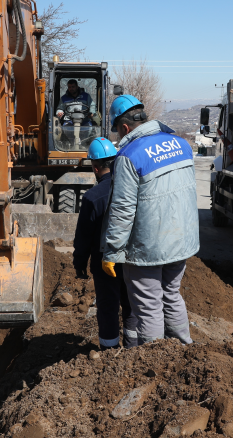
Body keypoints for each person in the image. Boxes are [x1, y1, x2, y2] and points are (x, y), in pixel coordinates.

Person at [101, 95, 199, 346]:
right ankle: (183, 350)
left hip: (148, 248)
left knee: (148, 306)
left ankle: (152, 366)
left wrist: (112, 252)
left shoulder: (128, 155)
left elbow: (122, 210)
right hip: (181, 243)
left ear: (124, 128)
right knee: (171, 295)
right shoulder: (181, 144)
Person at [73, 137, 138, 350]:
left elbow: (84, 235)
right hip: (131, 258)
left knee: (108, 306)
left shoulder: (92, 197)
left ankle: (109, 350)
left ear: (95, 167)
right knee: (131, 304)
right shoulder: (133, 188)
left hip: (104, 263)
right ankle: (134, 348)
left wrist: (80, 263)